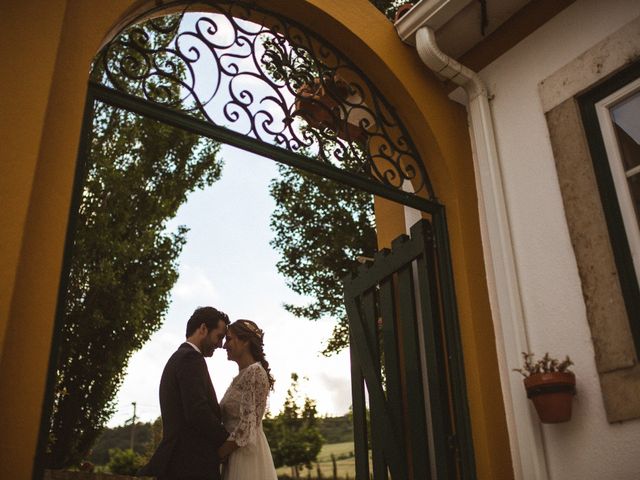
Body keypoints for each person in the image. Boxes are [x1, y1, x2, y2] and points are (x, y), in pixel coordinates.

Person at [140, 307, 230, 480]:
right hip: (189, 465)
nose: (220, 345)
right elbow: (197, 411)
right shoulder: (191, 358)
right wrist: (227, 440)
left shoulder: (179, 357)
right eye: (219, 336)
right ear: (203, 329)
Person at [217, 319, 278, 480]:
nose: (224, 345)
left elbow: (246, 427)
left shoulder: (255, 372)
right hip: (234, 453)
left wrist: (218, 454)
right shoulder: (242, 375)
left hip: (245, 456)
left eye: (229, 339)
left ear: (245, 341)